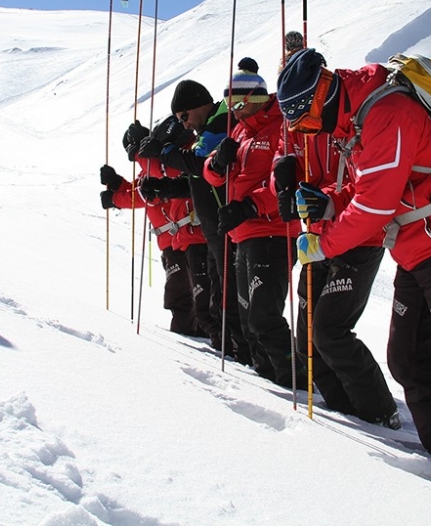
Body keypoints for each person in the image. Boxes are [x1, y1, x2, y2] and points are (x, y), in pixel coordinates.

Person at [277, 48, 431, 483]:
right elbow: (369, 190)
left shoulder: (386, 112)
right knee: (407, 359)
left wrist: (322, 244)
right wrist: (327, 204)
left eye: (305, 120)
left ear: (323, 93)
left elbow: (374, 206)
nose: (307, 130)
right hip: (417, 250)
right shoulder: (360, 120)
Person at [272, 106, 399, 427]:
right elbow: (282, 161)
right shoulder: (294, 125)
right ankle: (347, 409)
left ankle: (381, 413)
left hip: (358, 236)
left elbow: (367, 184)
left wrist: (323, 198)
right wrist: (282, 181)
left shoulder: (346, 120)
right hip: (316, 237)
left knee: (330, 330)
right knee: (305, 341)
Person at [203, 59, 304, 387]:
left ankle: (295, 379)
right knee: (248, 319)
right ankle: (267, 378)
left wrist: (249, 206)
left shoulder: (281, 126)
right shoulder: (239, 130)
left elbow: (287, 181)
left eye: (236, 102)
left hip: (272, 231)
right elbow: (214, 177)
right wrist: (217, 163)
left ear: (253, 99)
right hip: (243, 233)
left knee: (263, 316)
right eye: (228, 102)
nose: (231, 109)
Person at [140, 80, 251, 365]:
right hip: (214, 229)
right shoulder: (208, 128)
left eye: (184, 117)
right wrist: (165, 190)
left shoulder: (219, 125)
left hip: (226, 227)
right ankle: (237, 355)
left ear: (198, 105)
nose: (185, 125)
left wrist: (164, 153)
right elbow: (197, 179)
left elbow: (199, 163)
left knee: (228, 304)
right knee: (216, 306)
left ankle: (245, 358)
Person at [100, 117, 206, 336]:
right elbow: (137, 189)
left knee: (189, 296)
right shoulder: (152, 168)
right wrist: (116, 184)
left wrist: (114, 198)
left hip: (184, 238)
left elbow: (144, 196)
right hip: (172, 242)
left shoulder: (169, 164)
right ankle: (194, 334)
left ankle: (201, 335)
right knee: (181, 295)